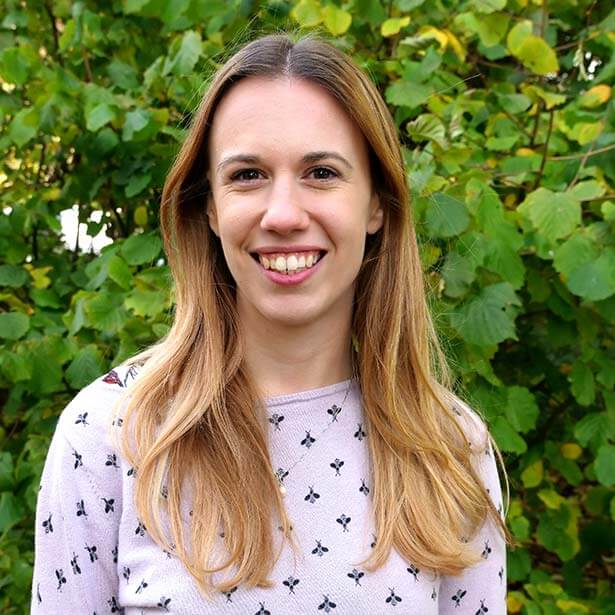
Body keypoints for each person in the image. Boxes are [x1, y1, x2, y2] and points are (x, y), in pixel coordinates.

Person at [31, 33, 508, 614]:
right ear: (209, 207)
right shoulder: (109, 435)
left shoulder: (450, 449)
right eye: (248, 175)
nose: (283, 214)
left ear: (377, 204)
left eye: (322, 173)